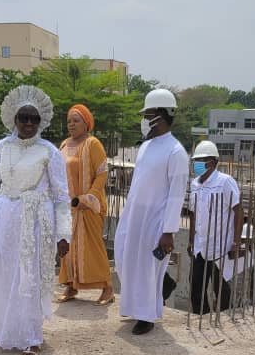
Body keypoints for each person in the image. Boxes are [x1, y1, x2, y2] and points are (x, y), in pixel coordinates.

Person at [0, 85, 71, 355]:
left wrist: (63, 234)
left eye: (34, 118)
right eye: (24, 118)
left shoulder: (49, 152)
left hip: (34, 223)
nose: (29, 123)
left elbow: (61, 196)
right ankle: (4, 331)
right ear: (14, 119)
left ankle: (31, 336)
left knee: (28, 277)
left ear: (41, 121)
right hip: (4, 221)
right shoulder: (3, 146)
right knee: (4, 274)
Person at [114, 88, 189, 335]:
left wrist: (168, 231)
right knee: (126, 259)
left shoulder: (176, 151)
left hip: (156, 219)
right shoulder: (146, 146)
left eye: (147, 114)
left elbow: (177, 195)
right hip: (135, 215)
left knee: (147, 267)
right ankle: (136, 306)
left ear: (160, 114)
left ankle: (146, 315)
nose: (144, 119)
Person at [57, 104, 113, 306]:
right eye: (69, 121)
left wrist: (88, 198)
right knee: (68, 247)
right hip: (68, 206)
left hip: (89, 206)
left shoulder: (93, 144)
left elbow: (102, 173)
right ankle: (71, 285)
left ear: (86, 123)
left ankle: (107, 287)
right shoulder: (64, 145)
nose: (71, 124)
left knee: (93, 247)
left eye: (76, 120)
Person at [187, 140, 243, 315]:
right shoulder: (195, 184)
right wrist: (190, 240)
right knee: (196, 288)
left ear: (211, 162)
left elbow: (239, 211)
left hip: (220, 246)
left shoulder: (225, 182)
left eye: (199, 160)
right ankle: (201, 317)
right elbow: (193, 214)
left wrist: (236, 242)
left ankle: (224, 318)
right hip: (200, 246)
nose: (196, 164)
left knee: (221, 288)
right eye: (195, 161)